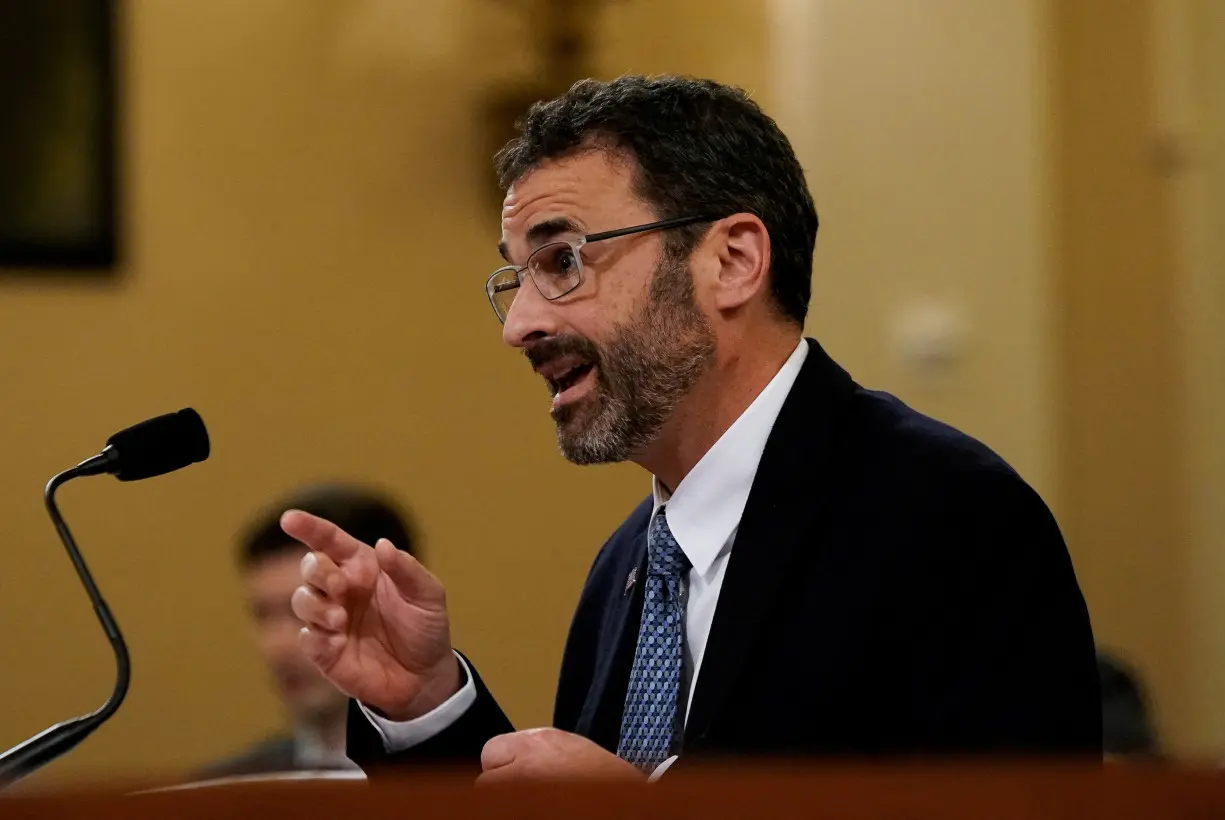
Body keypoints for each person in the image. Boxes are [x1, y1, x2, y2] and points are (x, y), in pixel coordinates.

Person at [282, 75, 1101, 783]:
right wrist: (429, 704)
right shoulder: (627, 569)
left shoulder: (949, 518)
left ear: (733, 261)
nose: (520, 324)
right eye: (517, 277)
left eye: (562, 261)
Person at [201, 483, 418, 778]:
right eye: (263, 614)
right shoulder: (222, 794)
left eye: (304, 610)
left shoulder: (478, 783)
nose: (278, 645)